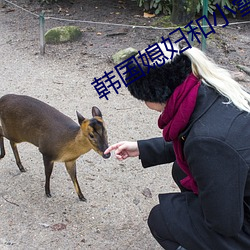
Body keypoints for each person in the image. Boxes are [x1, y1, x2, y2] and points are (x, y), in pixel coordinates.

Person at [104, 43, 250, 250]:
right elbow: (195, 139)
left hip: (241, 222)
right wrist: (142, 148)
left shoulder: (207, 142)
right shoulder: (210, 88)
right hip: (241, 186)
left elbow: (225, 224)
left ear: (154, 94)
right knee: (181, 169)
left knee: (162, 218)